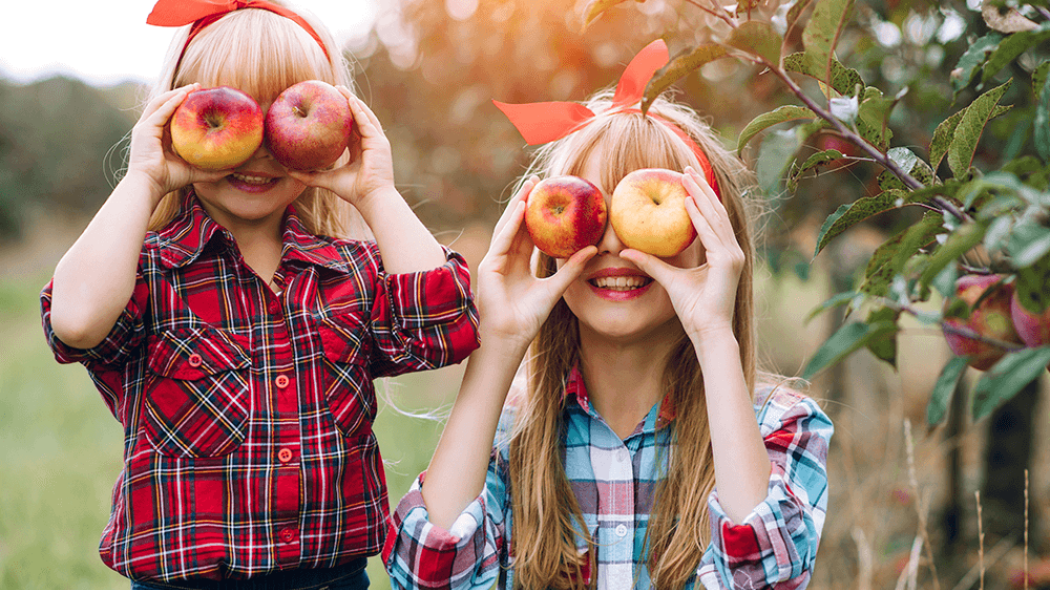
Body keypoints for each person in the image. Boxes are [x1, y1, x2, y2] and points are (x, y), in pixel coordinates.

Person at [39, 1, 479, 588]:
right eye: (227, 112)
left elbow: (445, 328)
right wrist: (143, 177)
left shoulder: (348, 271)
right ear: (175, 120)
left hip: (331, 579)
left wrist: (376, 192)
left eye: (286, 114)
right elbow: (74, 320)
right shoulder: (148, 272)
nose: (260, 145)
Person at [383, 40, 833, 590]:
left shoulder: (778, 427)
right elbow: (428, 579)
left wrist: (715, 335)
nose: (617, 244)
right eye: (593, 212)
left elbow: (766, 582)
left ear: (716, 240)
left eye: (645, 209)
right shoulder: (506, 435)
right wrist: (497, 344)